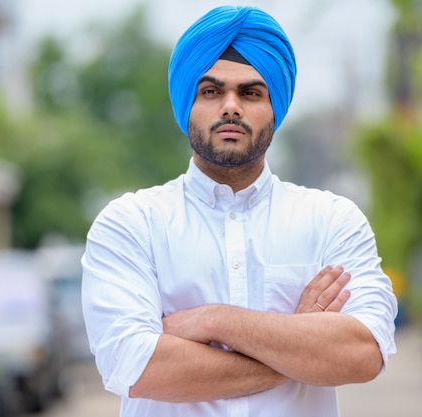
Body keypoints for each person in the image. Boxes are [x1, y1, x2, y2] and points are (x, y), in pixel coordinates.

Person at [81, 5, 397, 417]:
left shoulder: (331, 220)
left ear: (274, 107)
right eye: (211, 91)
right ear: (187, 104)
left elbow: (363, 352)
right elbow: (139, 367)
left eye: (251, 92)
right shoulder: (131, 224)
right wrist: (297, 346)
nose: (231, 107)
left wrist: (214, 321)